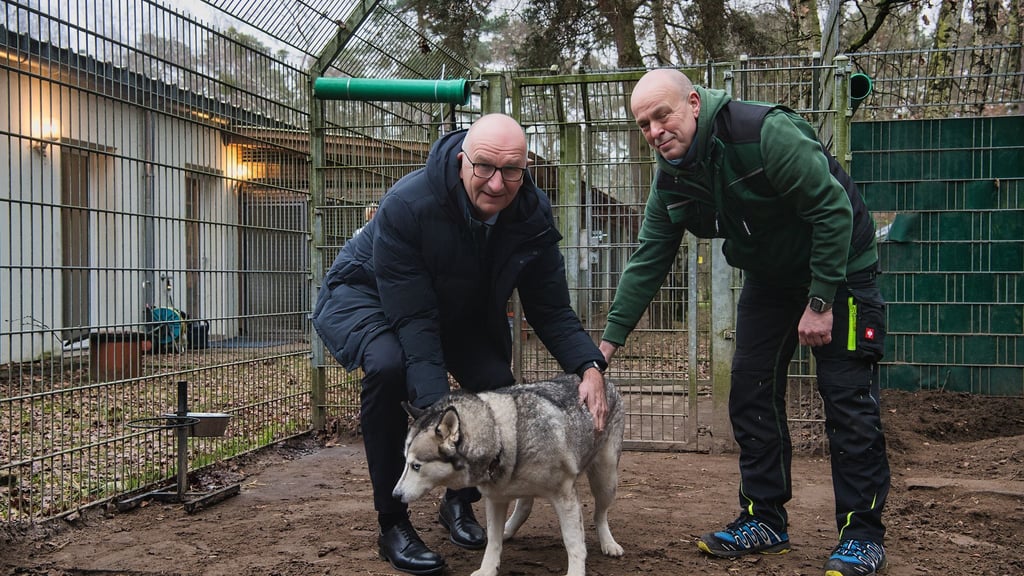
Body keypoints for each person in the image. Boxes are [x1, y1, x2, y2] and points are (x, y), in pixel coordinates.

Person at [599, 68, 891, 576]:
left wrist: (820, 303)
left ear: (693, 103)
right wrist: (604, 348)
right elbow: (649, 257)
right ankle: (765, 519)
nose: (654, 131)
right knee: (750, 390)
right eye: (643, 124)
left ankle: (862, 535)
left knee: (846, 399)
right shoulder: (672, 177)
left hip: (840, 268)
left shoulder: (763, 133)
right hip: (771, 276)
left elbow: (833, 211)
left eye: (661, 115)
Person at [311, 113, 610, 576]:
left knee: (494, 381)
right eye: (485, 167)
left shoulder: (531, 212)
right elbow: (415, 324)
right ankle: (392, 524)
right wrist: (437, 418)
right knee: (391, 368)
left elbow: (550, 309)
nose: (497, 183)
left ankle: (460, 501)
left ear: (525, 168)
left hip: (453, 302)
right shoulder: (408, 205)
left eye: (511, 170)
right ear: (460, 160)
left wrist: (590, 368)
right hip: (368, 295)